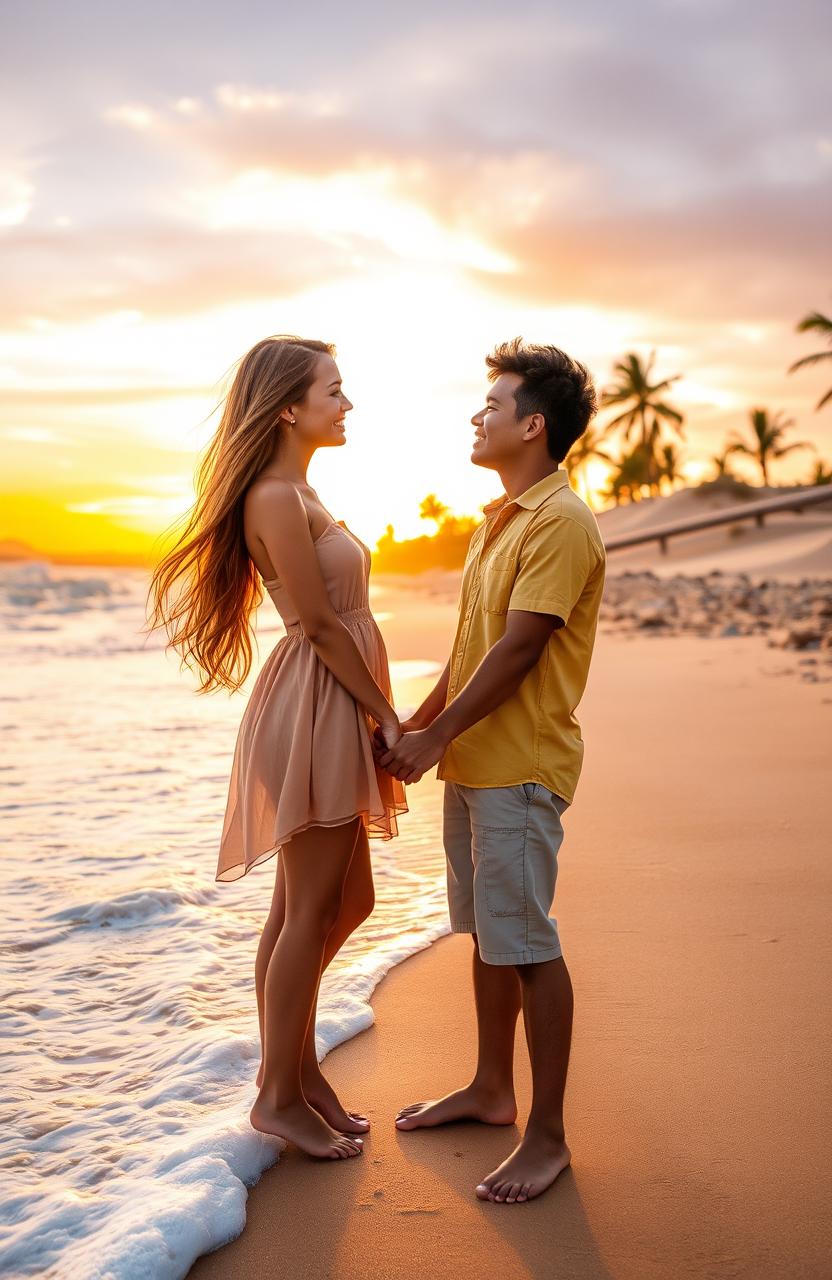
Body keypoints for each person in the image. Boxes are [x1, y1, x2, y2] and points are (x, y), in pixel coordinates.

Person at [148, 335, 406, 1161]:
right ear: (290, 407)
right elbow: (323, 627)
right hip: (316, 709)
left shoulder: (299, 488)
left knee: (339, 904)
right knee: (307, 911)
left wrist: (372, 709)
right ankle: (277, 1096)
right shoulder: (272, 496)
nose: (347, 402)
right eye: (334, 389)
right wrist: (383, 716)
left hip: (329, 704)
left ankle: (294, 1073)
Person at [377, 337, 605, 1203]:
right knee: (487, 934)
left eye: (494, 405)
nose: (478, 416)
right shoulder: (500, 519)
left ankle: (547, 1136)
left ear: (533, 425)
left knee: (527, 943)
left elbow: (518, 650)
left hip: (520, 766)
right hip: (476, 758)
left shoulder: (561, 522)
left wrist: (433, 742)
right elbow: (471, 648)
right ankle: (490, 1088)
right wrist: (420, 722)